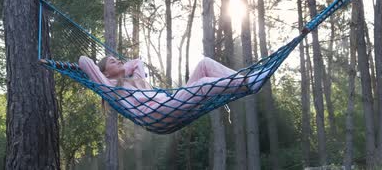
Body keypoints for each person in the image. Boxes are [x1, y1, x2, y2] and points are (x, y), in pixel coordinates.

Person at [78, 55, 267, 125]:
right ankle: (249, 83)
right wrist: (107, 77)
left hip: (172, 102)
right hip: (156, 115)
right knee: (202, 84)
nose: (119, 61)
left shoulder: (137, 80)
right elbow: (83, 61)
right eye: (113, 61)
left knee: (204, 64)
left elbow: (137, 62)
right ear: (104, 74)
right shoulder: (110, 89)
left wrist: (121, 69)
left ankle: (247, 81)